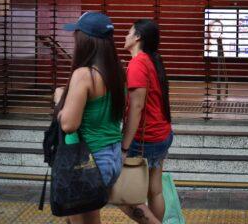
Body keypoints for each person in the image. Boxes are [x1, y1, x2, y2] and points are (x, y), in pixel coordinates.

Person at [54, 12, 126, 224]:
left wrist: (59, 98)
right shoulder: (117, 70)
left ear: (85, 40)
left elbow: (68, 124)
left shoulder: (84, 75)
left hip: (89, 160)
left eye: (76, 35)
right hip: (111, 157)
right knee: (90, 217)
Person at [119, 19, 173, 224]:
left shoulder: (138, 63)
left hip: (145, 139)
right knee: (155, 191)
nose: (125, 36)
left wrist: (124, 148)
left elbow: (137, 107)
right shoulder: (153, 60)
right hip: (162, 134)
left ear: (138, 37)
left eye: (128, 32)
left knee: (122, 192)